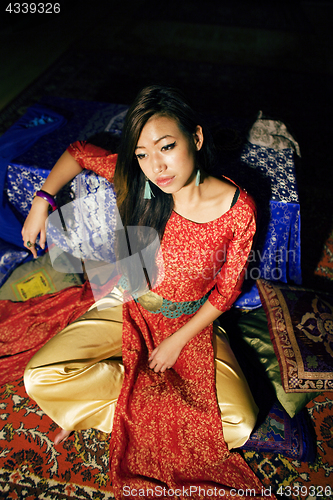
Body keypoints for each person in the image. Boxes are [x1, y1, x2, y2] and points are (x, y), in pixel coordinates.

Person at [24, 85, 275, 499]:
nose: (156, 166)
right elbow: (78, 151)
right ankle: (137, 397)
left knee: (240, 424)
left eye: (166, 147)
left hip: (191, 322)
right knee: (39, 378)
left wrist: (177, 341)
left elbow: (228, 291)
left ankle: (118, 403)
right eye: (142, 154)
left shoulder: (237, 207)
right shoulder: (140, 185)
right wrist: (41, 201)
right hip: (128, 304)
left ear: (195, 138)